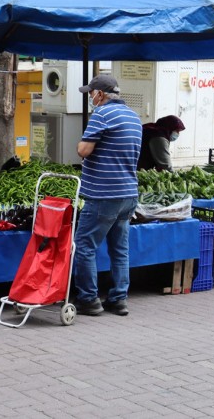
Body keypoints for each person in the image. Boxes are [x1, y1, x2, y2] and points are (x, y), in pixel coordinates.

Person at [73, 74, 142, 317]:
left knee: (84, 246)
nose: (91, 97)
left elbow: (83, 150)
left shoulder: (102, 114)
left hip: (104, 195)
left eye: (91, 93)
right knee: (119, 249)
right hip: (128, 194)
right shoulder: (134, 117)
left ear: (100, 94)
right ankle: (118, 299)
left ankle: (89, 299)